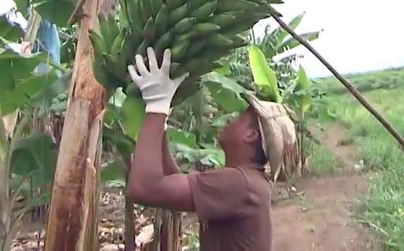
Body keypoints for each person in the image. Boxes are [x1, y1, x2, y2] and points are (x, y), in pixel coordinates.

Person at [125, 47, 294, 251]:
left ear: (251, 136)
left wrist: (155, 108)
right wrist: (160, 121)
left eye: (240, 117)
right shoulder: (248, 182)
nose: (231, 119)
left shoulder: (241, 184)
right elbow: (174, 180)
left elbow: (142, 188)